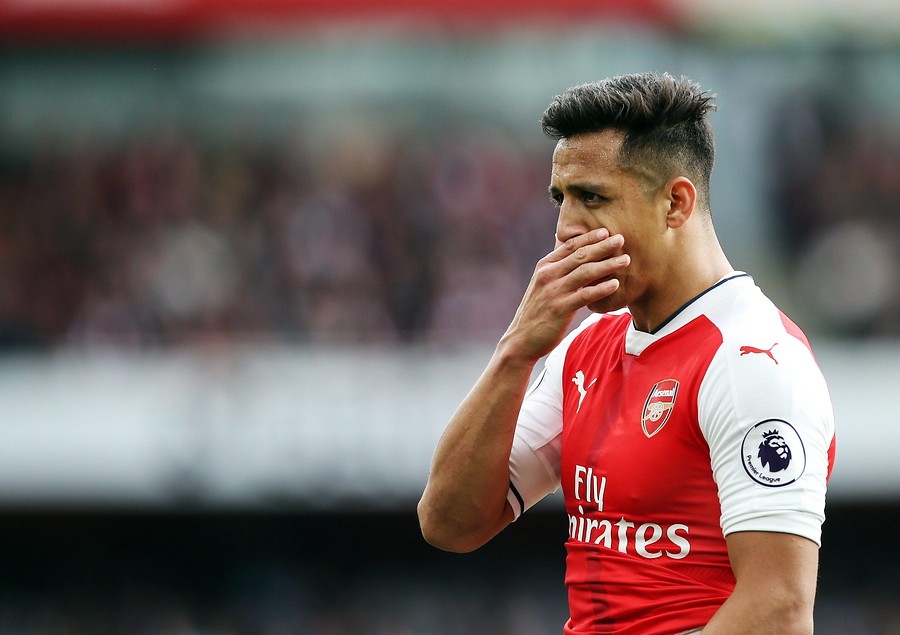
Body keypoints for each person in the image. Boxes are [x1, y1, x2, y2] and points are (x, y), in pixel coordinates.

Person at [417, 72, 836, 634]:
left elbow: (779, 609)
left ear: (675, 204)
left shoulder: (750, 360)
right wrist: (515, 351)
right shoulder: (586, 348)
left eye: (592, 197)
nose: (565, 228)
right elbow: (449, 522)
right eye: (560, 199)